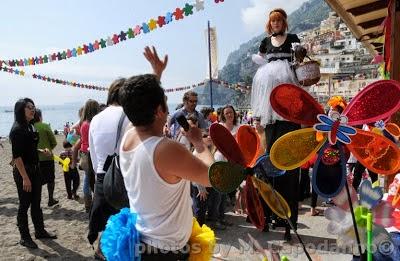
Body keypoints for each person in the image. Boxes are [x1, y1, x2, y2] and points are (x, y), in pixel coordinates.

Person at [119, 46, 214, 260]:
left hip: (142, 238)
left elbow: (141, 102)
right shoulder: (165, 149)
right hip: (165, 249)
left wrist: (156, 75)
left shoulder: (129, 135)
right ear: (160, 110)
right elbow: (211, 177)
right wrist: (199, 144)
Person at [251, 8, 302, 241]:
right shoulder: (264, 42)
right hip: (269, 101)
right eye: (273, 21)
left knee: (289, 163)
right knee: (271, 160)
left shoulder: (292, 39)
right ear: (269, 24)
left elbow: (300, 60)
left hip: (287, 92)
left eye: (279, 20)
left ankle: (289, 215)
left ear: (284, 22)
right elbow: (259, 62)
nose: (276, 24)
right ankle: (271, 213)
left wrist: (301, 54)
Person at [87, 78, 130, 259]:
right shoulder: (129, 116)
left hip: (102, 177)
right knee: (124, 226)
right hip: (124, 177)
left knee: (106, 225)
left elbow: (93, 154)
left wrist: (100, 177)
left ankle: (101, 252)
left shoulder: (96, 119)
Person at [9, 98, 56, 249]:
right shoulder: (17, 130)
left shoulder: (30, 126)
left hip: (36, 169)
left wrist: (41, 150)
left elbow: (28, 148)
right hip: (24, 171)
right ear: (21, 110)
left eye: (33, 106)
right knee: (24, 204)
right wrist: (25, 178)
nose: (32, 109)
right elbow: (17, 157)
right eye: (29, 107)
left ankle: (40, 231)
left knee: (36, 202)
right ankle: (24, 236)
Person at [72, 100, 100, 212]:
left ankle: (88, 203)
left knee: (88, 179)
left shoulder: (83, 123)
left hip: (84, 154)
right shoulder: (92, 124)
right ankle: (89, 204)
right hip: (89, 154)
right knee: (90, 180)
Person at [33, 109, 58, 207]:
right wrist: (48, 150)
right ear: (40, 116)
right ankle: (50, 199)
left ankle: (37, 202)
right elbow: (54, 142)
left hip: (35, 159)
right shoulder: (45, 126)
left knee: (37, 181)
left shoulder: (30, 127)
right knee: (50, 180)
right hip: (47, 158)